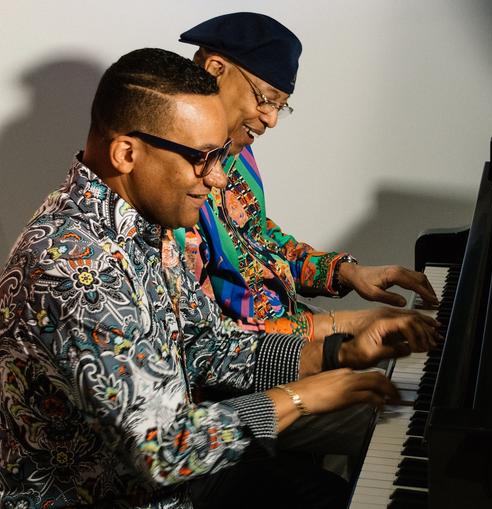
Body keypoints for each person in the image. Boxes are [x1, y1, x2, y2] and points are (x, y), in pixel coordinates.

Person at [0, 47, 438, 508]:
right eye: (202, 158)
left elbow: (210, 343)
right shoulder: (70, 267)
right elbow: (160, 451)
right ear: (126, 153)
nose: (218, 179)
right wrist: (298, 398)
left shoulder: (147, 225)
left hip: (179, 483)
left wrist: (339, 350)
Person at [175, 13, 440, 342]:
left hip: (289, 335)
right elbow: (209, 341)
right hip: (254, 365)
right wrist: (340, 328)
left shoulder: (235, 152)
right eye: (266, 99)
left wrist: (346, 272)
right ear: (216, 69)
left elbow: (259, 243)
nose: (271, 119)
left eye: (280, 107)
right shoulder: (172, 176)